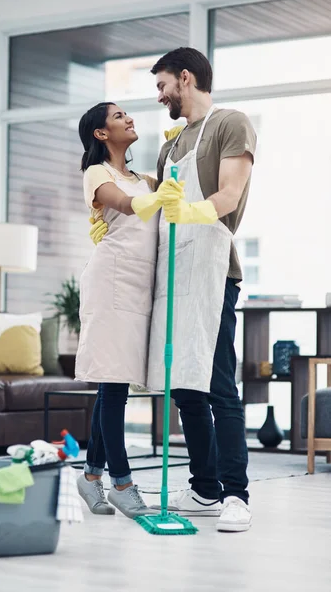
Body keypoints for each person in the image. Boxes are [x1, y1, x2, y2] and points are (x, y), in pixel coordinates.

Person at [90, 48, 257, 533]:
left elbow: (229, 193)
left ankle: (235, 495)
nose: (159, 96)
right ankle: (204, 487)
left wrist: (192, 211)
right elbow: (153, 205)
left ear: (185, 78)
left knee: (219, 385)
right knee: (184, 387)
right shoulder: (169, 146)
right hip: (173, 271)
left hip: (213, 270)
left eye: (163, 85)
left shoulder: (232, 123)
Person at [75, 101, 184, 519]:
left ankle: (89, 479)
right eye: (119, 117)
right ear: (101, 134)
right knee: (114, 386)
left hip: (140, 287)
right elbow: (124, 205)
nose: (129, 119)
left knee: (113, 385)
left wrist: (178, 160)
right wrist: (161, 193)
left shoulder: (144, 178)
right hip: (110, 282)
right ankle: (121, 483)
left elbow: (170, 195)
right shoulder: (97, 173)